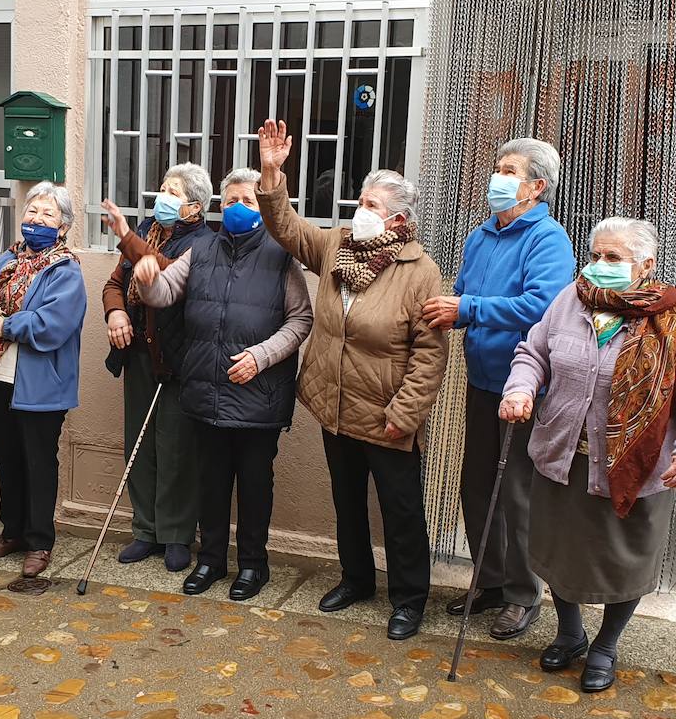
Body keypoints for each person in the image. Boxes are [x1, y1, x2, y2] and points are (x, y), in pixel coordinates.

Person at [500, 217, 676, 692]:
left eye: (613, 258)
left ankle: (605, 645)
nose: (599, 265)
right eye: (596, 255)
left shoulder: (674, 319)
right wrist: (521, 388)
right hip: (565, 457)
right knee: (558, 551)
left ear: (646, 266)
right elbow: (533, 352)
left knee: (627, 559)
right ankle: (570, 632)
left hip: (635, 465)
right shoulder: (569, 301)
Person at [256, 119, 449, 640]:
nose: (360, 211)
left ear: (399, 219)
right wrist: (272, 176)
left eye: (373, 205)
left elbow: (430, 354)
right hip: (335, 405)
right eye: (361, 200)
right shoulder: (337, 245)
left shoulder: (419, 270)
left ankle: (409, 599)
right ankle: (357, 579)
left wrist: (404, 415)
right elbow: (288, 230)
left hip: (388, 415)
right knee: (346, 501)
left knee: (401, 512)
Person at [134, 167, 313, 600]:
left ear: (264, 208)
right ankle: (211, 559)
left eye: (248, 201)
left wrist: (261, 356)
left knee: (253, 485)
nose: (237, 208)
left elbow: (301, 319)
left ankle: (254, 565)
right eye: (230, 200)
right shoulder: (202, 250)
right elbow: (163, 295)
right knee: (211, 483)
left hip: (258, 395)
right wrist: (147, 280)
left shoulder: (280, 255)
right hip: (206, 389)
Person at [423, 139, 576, 640]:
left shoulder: (548, 238)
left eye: (509, 171)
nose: (498, 177)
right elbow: (466, 291)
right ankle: (488, 580)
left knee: (518, 493)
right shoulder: (481, 236)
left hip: (524, 386)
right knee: (477, 482)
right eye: (496, 168)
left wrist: (467, 310)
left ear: (537, 186)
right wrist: (449, 311)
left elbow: (542, 307)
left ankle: (522, 595)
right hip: (482, 378)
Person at [0, 182, 87, 581]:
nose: (36, 219)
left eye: (47, 214)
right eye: (32, 211)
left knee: (38, 463)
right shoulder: (4, 261)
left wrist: (5, 324)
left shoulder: (65, 270)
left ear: (64, 227)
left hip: (41, 384)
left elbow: (54, 324)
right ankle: (12, 531)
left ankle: (39, 541)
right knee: (7, 457)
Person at [100, 163, 214, 573]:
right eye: (162, 187)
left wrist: (127, 237)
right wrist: (116, 314)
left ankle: (176, 534)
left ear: (194, 207)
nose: (162, 195)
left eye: (173, 191)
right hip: (139, 355)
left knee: (176, 448)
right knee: (140, 443)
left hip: (179, 360)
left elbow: (165, 274)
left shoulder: (203, 242)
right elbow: (117, 282)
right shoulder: (149, 230)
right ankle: (145, 529)